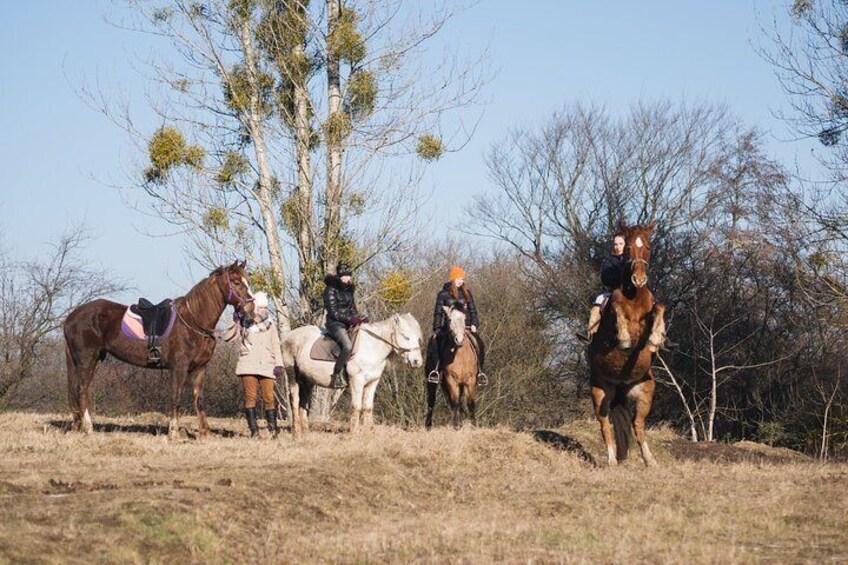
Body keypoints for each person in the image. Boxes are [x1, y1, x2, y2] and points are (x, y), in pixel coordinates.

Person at [223, 291, 284, 438]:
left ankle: (273, 430)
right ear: (255, 307)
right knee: (251, 397)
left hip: (267, 364)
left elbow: (276, 344)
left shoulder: (271, 324)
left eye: (265, 307)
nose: (264, 310)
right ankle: (254, 431)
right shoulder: (244, 322)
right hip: (248, 364)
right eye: (261, 307)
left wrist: (279, 364)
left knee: (269, 397)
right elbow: (227, 336)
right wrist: (234, 319)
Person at [424, 265, 488, 386]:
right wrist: (437, 328)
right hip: (449, 328)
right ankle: (436, 371)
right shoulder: (442, 294)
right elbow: (438, 313)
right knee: (436, 343)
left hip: (466, 327)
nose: (460, 281)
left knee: (480, 344)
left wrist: (474, 323)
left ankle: (480, 372)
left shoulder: (467, 293)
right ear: (452, 278)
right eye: (458, 278)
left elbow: (472, 310)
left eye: (462, 279)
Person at [323, 262, 369, 389]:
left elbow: (352, 309)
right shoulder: (330, 290)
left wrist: (360, 318)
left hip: (347, 322)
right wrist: (351, 319)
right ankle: (336, 375)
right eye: (347, 276)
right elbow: (333, 313)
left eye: (350, 276)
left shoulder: (349, 291)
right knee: (348, 346)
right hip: (335, 323)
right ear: (340, 277)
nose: (349, 278)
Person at [577, 234, 626, 343]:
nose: (618, 247)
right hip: (614, 291)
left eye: (621, 244)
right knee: (598, 301)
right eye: (615, 244)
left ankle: (661, 336)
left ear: (626, 244)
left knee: (653, 304)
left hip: (631, 292)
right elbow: (605, 278)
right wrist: (618, 278)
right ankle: (590, 332)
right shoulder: (608, 260)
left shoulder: (631, 259)